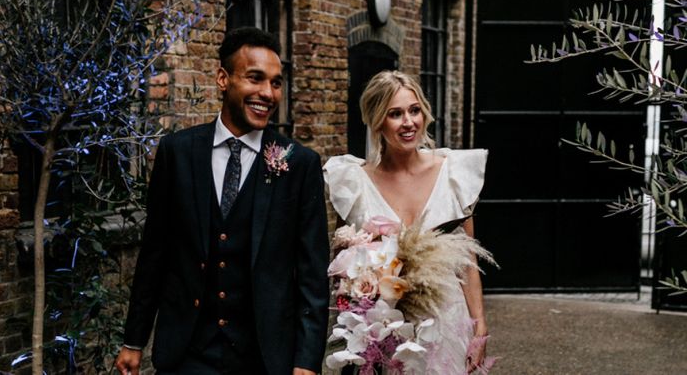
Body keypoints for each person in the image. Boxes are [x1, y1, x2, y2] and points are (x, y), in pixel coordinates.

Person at [115, 27, 330, 375]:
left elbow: (312, 276)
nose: (268, 93)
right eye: (255, 78)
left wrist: (306, 362)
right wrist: (134, 340)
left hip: (264, 356)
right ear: (222, 79)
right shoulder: (177, 153)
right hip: (188, 353)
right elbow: (155, 253)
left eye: (276, 83)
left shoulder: (300, 164)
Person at [323, 70, 490, 374]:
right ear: (376, 121)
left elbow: (468, 259)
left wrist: (479, 328)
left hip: (447, 321)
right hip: (384, 331)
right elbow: (342, 261)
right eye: (395, 114)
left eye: (414, 110)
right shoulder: (354, 183)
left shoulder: (452, 174)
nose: (409, 122)